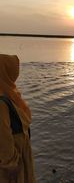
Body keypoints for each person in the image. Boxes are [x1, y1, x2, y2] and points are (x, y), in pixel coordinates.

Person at [0, 54, 36, 183]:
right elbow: (2, 136)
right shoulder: (1, 102)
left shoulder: (9, 93)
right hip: (12, 164)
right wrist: (10, 164)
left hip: (20, 154)